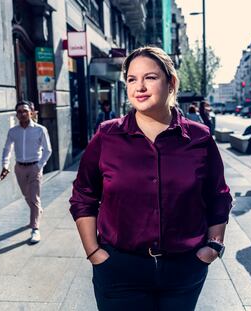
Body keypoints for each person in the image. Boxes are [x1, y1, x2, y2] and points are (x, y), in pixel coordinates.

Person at [69, 46, 232, 310]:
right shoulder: (107, 136)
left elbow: (218, 195)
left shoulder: (200, 137)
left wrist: (212, 247)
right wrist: (93, 252)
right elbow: (83, 196)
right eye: (132, 79)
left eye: (150, 77)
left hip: (184, 270)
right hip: (120, 270)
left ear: (171, 83)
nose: (140, 87)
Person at [0, 100, 52, 244]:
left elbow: (48, 150)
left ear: (31, 112)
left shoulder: (40, 129)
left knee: (34, 198)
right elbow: (7, 149)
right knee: (26, 195)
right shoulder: (13, 131)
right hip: (19, 168)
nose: (22, 114)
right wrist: (5, 165)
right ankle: (37, 211)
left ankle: (35, 229)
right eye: (19, 112)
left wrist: (39, 166)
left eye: (25, 111)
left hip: (35, 166)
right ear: (16, 114)